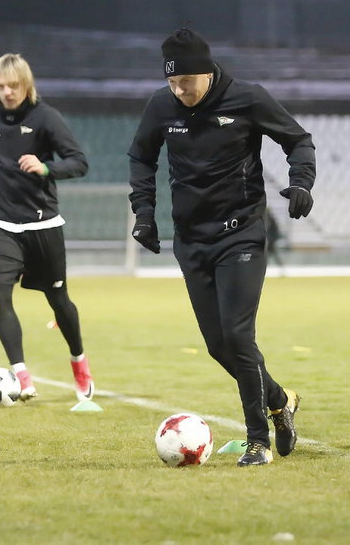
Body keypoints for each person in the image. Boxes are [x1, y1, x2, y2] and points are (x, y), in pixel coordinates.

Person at [128, 27, 316, 467]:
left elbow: (298, 140)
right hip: (191, 241)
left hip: (241, 234)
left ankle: (258, 439)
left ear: (207, 72)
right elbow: (140, 156)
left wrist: (301, 183)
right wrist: (143, 213)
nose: (179, 90)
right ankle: (280, 400)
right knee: (218, 346)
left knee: (237, 334)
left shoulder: (247, 98)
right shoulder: (162, 104)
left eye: (186, 82)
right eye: (172, 82)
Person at [0, 53, 94, 402]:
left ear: (27, 85)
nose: (7, 92)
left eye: (14, 86)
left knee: (59, 300)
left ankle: (79, 360)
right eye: (1, 86)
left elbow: (79, 163)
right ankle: (22, 377)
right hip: (2, 225)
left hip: (43, 226)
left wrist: (45, 168)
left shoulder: (46, 118)